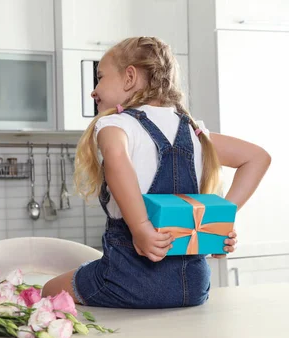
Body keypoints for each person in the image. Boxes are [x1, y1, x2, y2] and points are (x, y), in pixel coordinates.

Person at [42, 37, 271, 308]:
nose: (95, 90)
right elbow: (257, 158)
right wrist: (216, 223)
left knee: (48, 290)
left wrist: (140, 228)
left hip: (128, 279)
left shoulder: (116, 124)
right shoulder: (194, 131)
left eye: (100, 77)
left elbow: (116, 159)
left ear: (129, 77)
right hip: (194, 289)